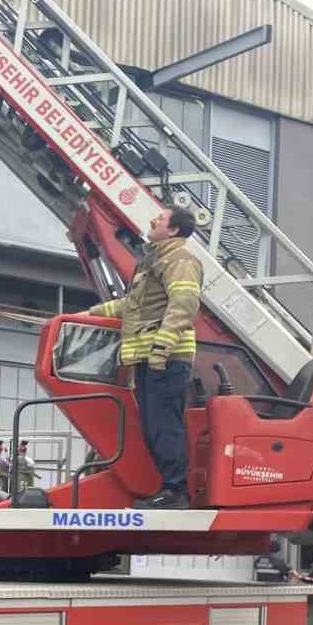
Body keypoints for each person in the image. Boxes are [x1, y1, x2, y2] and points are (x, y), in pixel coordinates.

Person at [90, 206, 204, 510]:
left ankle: (175, 491)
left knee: (164, 425)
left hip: (164, 358)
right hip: (148, 358)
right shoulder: (154, 260)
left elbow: (184, 304)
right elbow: (133, 305)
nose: (153, 220)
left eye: (161, 219)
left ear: (174, 230)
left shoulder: (181, 261)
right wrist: (91, 313)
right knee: (153, 425)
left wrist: (161, 349)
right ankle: (168, 488)